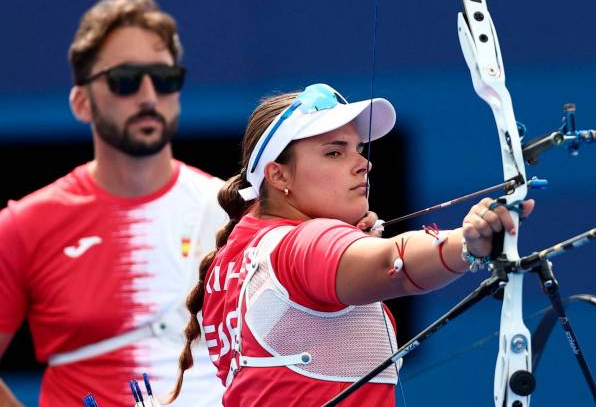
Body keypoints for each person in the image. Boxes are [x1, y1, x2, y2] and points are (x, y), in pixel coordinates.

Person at [167, 83, 534, 406]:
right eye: (334, 152)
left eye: (358, 148)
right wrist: (468, 243)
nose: (363, 163)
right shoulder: (301, 243)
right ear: (277, 175)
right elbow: (393, 263)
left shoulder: (237, 252)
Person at [0, 0, 229, 406]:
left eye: (164, 78)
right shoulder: (23, 226)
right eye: (125, 79)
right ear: (81, 102)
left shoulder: (230, 210)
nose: (147, 96)